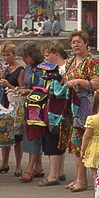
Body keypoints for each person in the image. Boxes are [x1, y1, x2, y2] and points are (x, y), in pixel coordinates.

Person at [63, 31, 99, 192]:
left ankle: (91, 179)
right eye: (73, 42)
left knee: (88, 140)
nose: (76, 45)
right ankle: (80, 178)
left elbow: (97, 84)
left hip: (87, 106)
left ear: (86, 43)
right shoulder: (70, 62)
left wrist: (79, 81)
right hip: (72, 106)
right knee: (75, 143)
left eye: (79, 42)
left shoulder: (93, 61)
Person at [37, 42, 71, 186]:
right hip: (62, 109)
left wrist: (54, 81)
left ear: (56, 54)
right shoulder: (68, 66)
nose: (46, 60)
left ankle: (53, 175)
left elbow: (60, 89)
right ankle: (60, 171)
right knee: (60, 139)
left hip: (57, 109)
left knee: (52, 140)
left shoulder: (62, 70)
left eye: (47, 56)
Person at [17, 40, 46, 183]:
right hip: (30, 104)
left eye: (25, 56)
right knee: (32, 134)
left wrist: (27, 91)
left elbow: (42, 89)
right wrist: (20, 89)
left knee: (33, 135)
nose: (23, 60)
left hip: (38, 105)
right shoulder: (28, 67)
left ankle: (29, 167)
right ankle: (38, 166)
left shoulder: (42, 68)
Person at [0, 42, 24, 175]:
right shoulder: (4, 68)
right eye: (4, 55)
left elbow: (22, 88)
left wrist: (9, 85)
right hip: (4, 102)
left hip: (15, 103)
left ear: (14, 54)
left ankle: (18, 165)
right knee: (4, 133)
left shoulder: (20, 69)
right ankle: (4, 163)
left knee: (17, 136)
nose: (6, 58)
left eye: (8, 55)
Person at [79, 89, 99, 198]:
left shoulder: (92, 119)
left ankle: (98, 197)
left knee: (96, 174)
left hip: (95, 146)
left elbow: (87, 135)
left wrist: (82, 149)